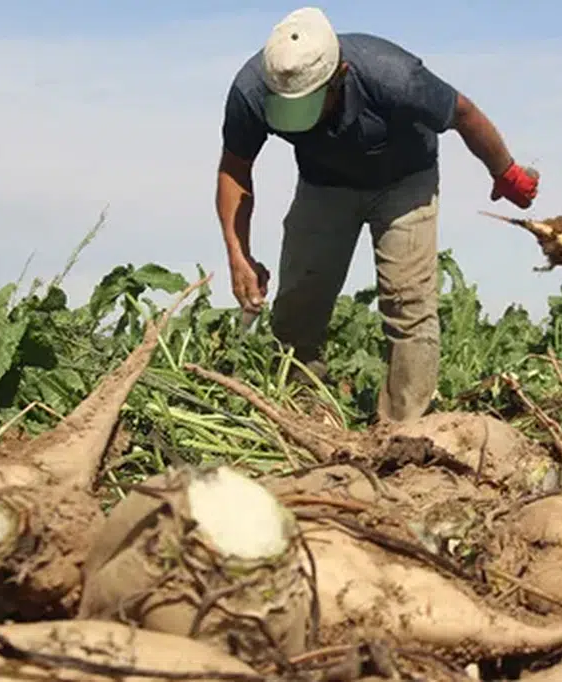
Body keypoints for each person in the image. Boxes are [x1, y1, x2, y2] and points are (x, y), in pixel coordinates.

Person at [215, 7, 539, 424]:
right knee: (299, 303)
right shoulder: (252, 90)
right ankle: (302, 411)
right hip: (324, 184)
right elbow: (235, 168)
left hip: (405, 182)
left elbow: (464, 114)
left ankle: (405, 429)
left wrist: (505, 171)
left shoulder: (393, 76)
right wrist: (237, 253)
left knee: (408, 303)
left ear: (341, 75)